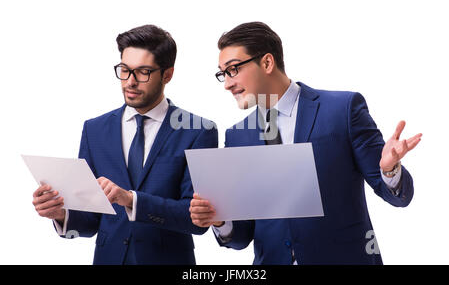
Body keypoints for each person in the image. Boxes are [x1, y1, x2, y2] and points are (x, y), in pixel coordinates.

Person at [189, 21, 422, 264]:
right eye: (222, 74)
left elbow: (398, 197)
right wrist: (219, 218)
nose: (227, 83)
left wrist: (389, 169)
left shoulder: (342, 110)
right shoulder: (238, 136)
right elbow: (241, 236)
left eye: (233, 69)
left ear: (267, 63)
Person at [32, 24, 218, 265]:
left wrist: (132, 200)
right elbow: (90, 222)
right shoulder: (94, 130)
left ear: (167, 74)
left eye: (143, 72)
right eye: (124, 70)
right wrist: (60, 213)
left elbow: (196, 220)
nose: (130, 82)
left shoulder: (199, 131)